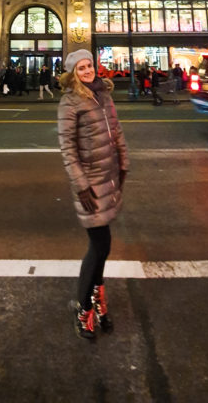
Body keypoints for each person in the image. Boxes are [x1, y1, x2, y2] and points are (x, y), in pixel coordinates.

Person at [57, 49, 130, 340]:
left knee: (102, 246)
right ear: (72, 73)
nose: (87, 71)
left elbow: (117, 131)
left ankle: (97, 299)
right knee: (100, 245)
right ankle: (84, 307)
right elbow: (68, 148)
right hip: (90, 183)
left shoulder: (104, 95)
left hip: (109, 177)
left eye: (89, 65)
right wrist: (81, 184)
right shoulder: (70, 102)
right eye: (81, 68)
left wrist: (124, 163)